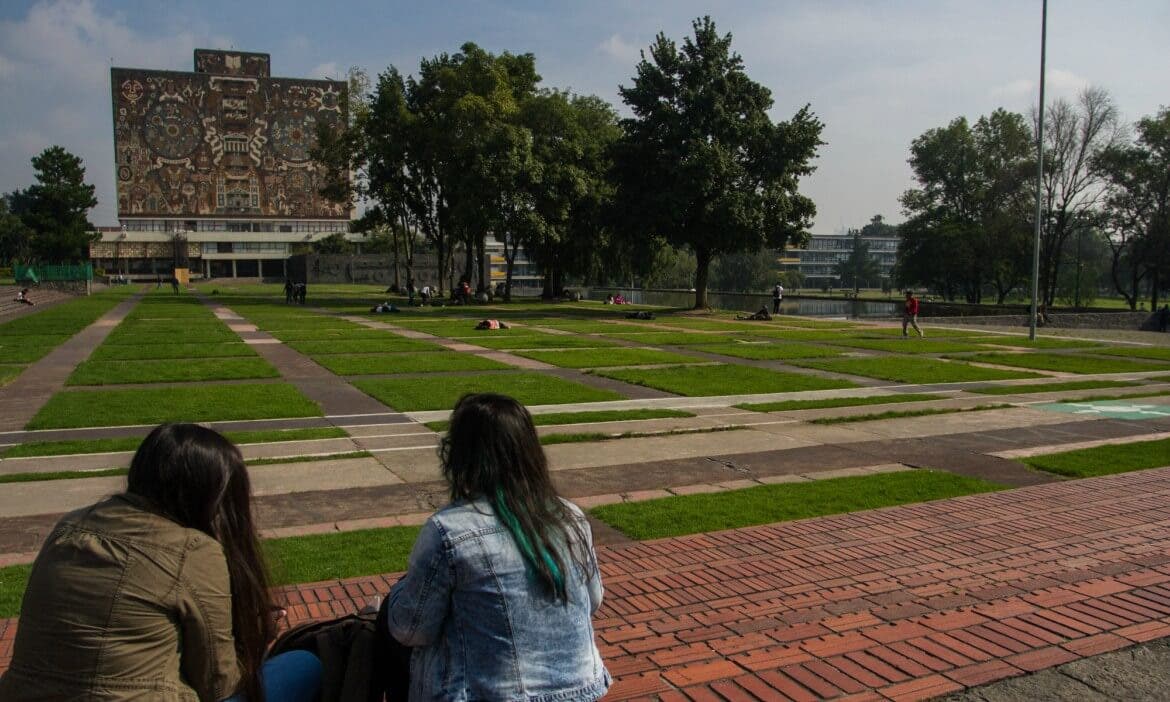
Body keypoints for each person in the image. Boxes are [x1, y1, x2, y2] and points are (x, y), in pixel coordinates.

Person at [0, 423, 322, 702]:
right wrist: (258, 637)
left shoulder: (69, 526)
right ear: (213, 498)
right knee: (305, 665)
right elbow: (218, 684)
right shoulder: (193, 549)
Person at [383, 393, 610, 702]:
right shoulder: (570, 517)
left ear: (461, 456)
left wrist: (398, 592)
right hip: (579, 690)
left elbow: (410, 629)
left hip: (486, 694)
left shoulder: (449, 530)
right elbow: (593, 600)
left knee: (396, 626)